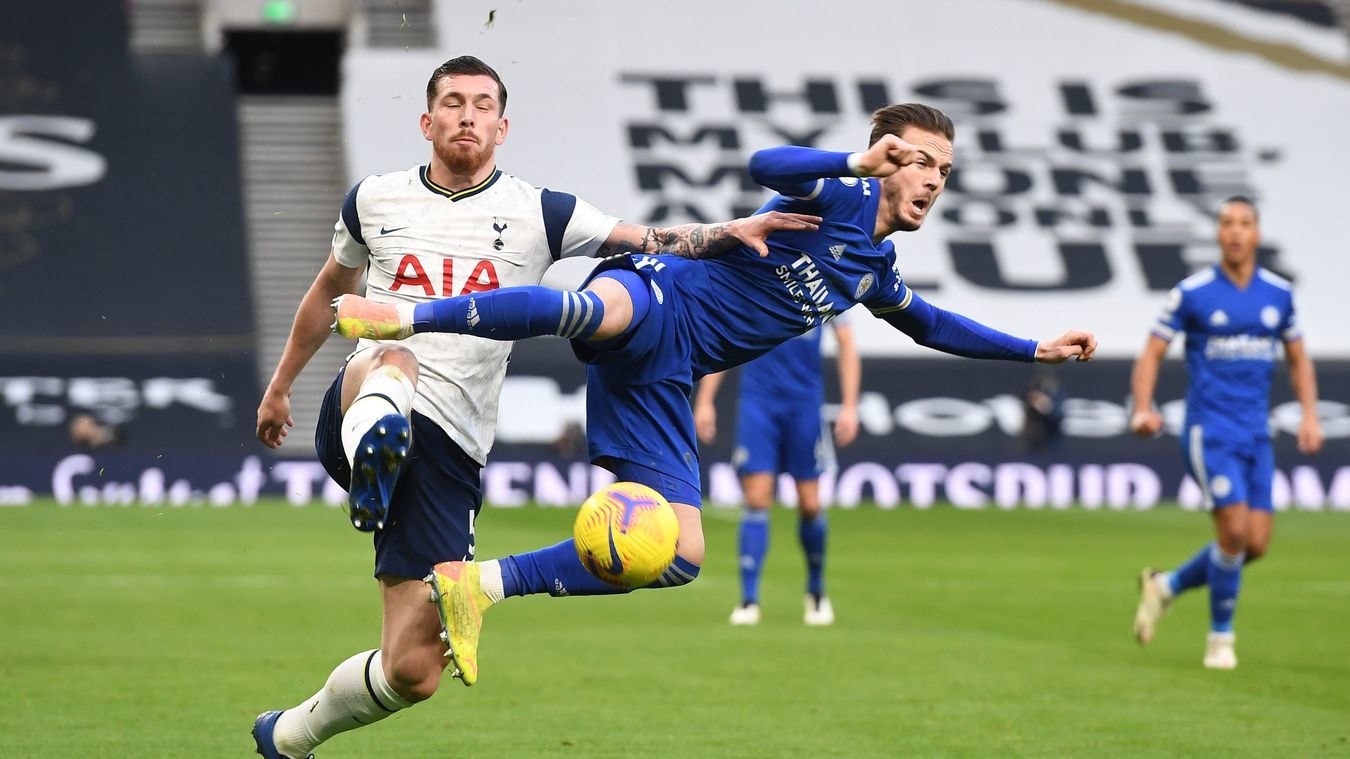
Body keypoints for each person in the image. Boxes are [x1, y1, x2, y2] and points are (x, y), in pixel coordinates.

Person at [333, 102, 1097, 687]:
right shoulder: (838, 197)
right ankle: (404, 315)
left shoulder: (874, 270)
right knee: (594, 310)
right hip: (661, 295)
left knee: (682, 554)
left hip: (668, 375)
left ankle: (478, 584)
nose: (932, 177)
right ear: (887, 159)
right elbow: (767, 160)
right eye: (920, 160)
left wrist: (1033, 348)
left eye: (943, 169)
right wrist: (854, 161)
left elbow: (932, 324)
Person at [249, 55, 816, 759]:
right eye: (452, 102)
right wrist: (281, 387)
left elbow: (651, 240)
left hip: (450, 451)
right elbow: (326, 291)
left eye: (482, 105)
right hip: (367, 396)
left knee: (412, 669)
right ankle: (374, 461)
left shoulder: (539, 212)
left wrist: (726, 230)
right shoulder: (374, 198)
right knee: (393, 355)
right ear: (426, 122)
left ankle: (290, 734)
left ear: (502, 126)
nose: (466, 115)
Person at [1129, 196, 1322, 670]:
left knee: (1254, 544)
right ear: (1218, 234)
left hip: (1256, 433)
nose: (1235, 232)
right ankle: (1220, 641)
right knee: (1233, 531)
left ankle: (1166, 586)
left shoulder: (1279, 294)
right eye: (1227, 224)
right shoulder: (1192, 292)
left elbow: (1298, 358)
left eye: (1244, 224)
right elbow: (1152, 352)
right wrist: (1142, 408)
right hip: (1209, 431)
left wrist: (1310, 414)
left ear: (1256, 234)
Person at [692, 312, 861, 626]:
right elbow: (728, 340)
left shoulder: (822, 281)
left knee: (810, 503)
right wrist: (705, 401)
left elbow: (847, 343)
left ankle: (815, 590)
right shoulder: (755, 281)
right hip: (759, 405)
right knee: (757, 500)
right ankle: (748, 600)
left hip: (805, 406)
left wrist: (850, 406)